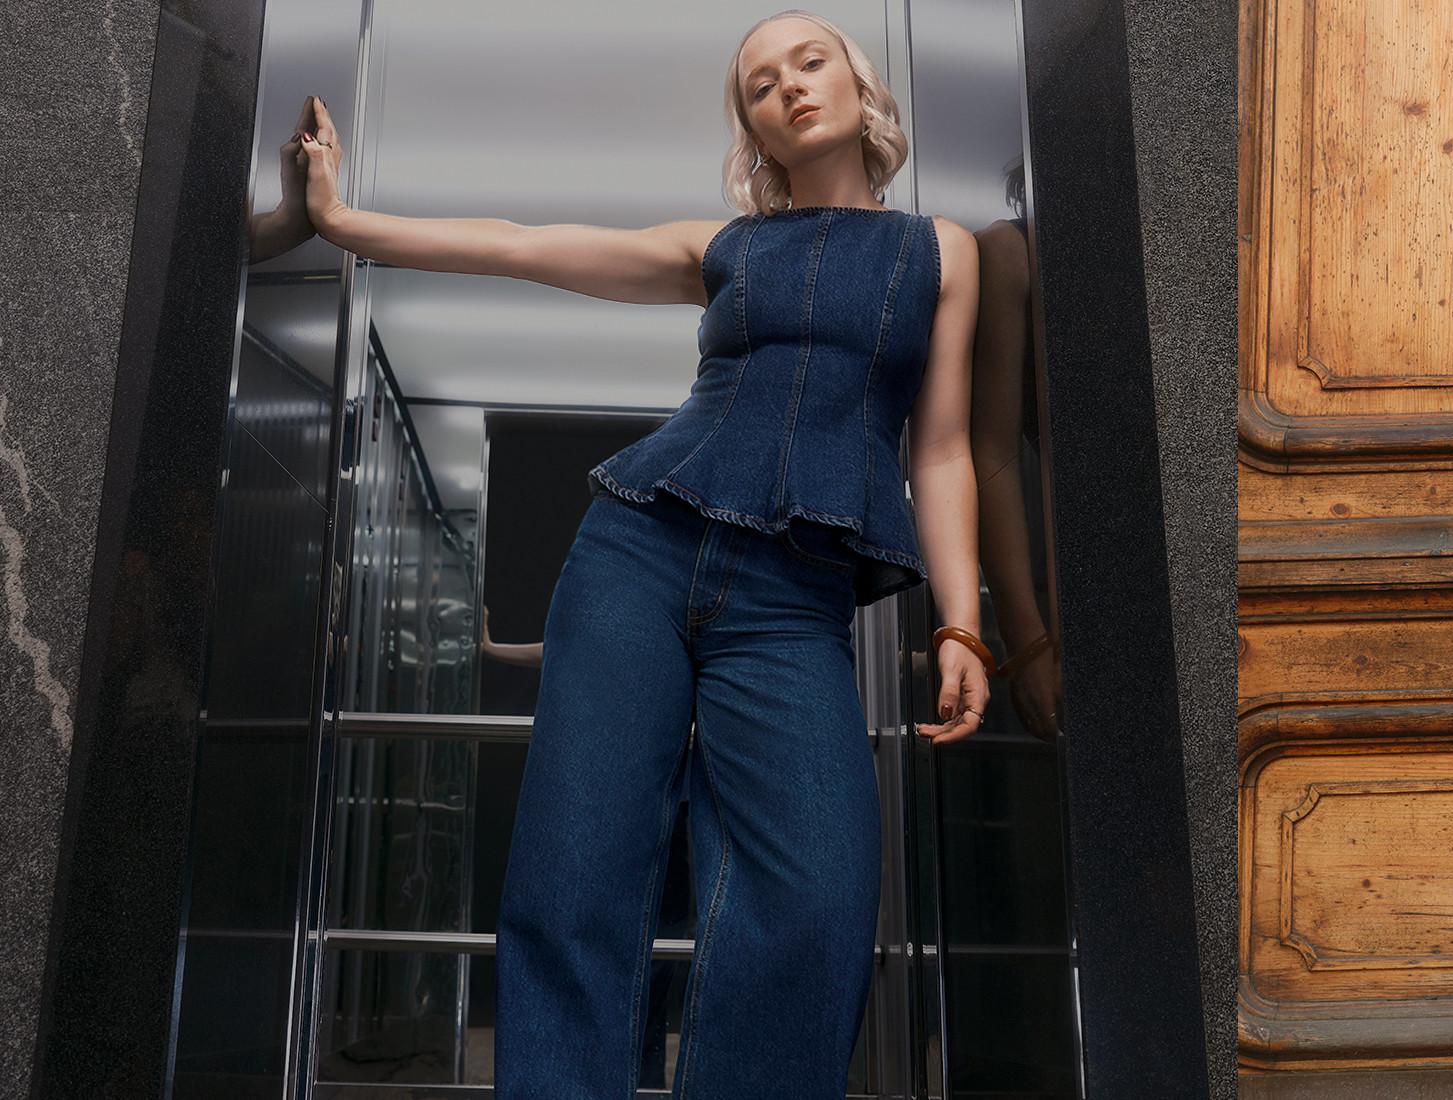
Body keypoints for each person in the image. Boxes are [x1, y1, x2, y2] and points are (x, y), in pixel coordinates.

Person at [271, 10, 995, 1092]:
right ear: (752, 130)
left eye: (810, 62)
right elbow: (518, 243)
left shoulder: (943, 251)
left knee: (817, 897)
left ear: (858, 83)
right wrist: (341, 218)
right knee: (576, 869)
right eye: (760, 83)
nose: (790, 87)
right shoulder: (719, 249)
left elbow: (938, 451)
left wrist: (961, 620)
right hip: (636, 553)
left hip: (793, 604)